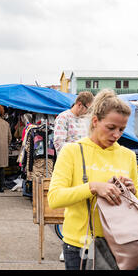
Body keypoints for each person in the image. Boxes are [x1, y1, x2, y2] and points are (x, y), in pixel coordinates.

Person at [48, 89, 138, 270]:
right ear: (95, 121)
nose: (116, 135)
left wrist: (133, 191)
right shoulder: (72, 151)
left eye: (122, 129)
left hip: (121, 245)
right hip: (80, 246)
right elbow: (55, 198)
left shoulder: (128, 156)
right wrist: (92, 187)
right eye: (111, 128)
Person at [53, 91, 94, 261]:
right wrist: (80, 151)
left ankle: (87, 245)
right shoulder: (63, 118)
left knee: (86, 210)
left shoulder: (87, 120)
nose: (88, 112)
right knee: (69, 210)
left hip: (88, 170)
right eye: (87, 108)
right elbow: (59, 144)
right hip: (69, 170)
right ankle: (67, 245)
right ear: (79, 104)